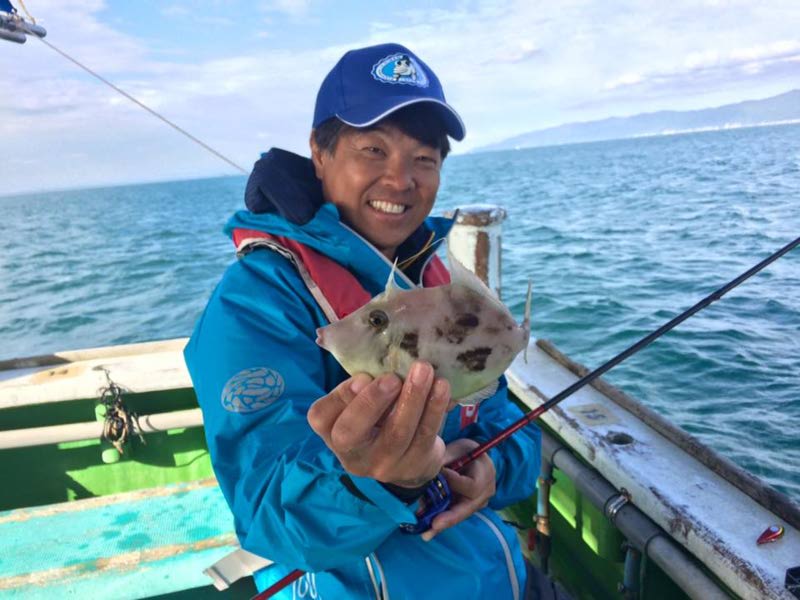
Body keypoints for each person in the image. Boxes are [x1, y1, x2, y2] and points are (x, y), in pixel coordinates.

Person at [185, 43, 546, 599]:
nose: (400, 180)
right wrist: (378, 482)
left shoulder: (431, 282)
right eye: (373, 149)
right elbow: (265, 509)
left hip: (496, 575)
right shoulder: (252, 304)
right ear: (319, 152)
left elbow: (509, 426)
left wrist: (492, 467)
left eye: (424, 159)